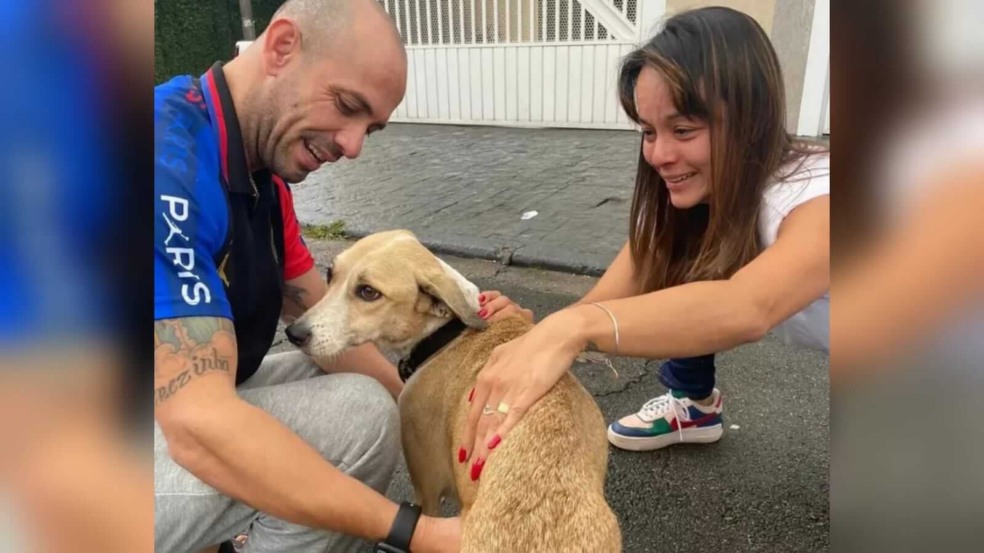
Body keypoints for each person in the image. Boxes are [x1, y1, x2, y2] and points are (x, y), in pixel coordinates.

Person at [461, 6, 830, 473]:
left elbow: (746, 307)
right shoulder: (710, 192)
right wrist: (541, 335)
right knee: (688, 250)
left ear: (750, 120)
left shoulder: (816, 200)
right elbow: (621, 292)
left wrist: (572, 330)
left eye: (682, 130)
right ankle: (693, 403)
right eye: (648, 131)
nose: (658, 154)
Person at [153, 0, 459, 551]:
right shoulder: (163, 161)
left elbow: (328, 323)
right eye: (347, 106)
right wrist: (421, 533)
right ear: (281, 46)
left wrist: (436, 409)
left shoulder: (259, 175)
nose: (353, 145)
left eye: (372, 127)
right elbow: (197, 426)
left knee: (359, 381)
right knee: (358, 418)